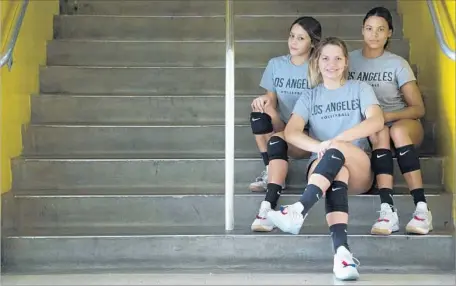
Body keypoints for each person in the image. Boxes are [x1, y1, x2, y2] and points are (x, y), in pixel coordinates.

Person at [267, 37, 385, 281]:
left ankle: (299, 209)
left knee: (337, 153)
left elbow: (376, 121)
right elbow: (291, 132)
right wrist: (319, 145)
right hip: (324, 167)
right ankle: (342, 254)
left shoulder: (359, 88)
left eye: (337, 58)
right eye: (325, 58)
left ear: (346, 62)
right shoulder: (309, 97)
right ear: (317, 62)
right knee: (336, 171)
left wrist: (339, 139)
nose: (332, 64)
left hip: (359, 166)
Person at [349, 7, 432, 235]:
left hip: (402, 122)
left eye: (380, 29)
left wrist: (387, 116)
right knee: (380, 132)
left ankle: (422, 209)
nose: (374, 34)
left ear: (389, 34)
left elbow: (418, 108)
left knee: (393, 131)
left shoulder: (397, 63)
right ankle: (387, 211)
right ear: (362, 31)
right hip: (373, 129)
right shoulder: (349, 61)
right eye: (369, 29)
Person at [249, 16, 322, 232]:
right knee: (258, 114)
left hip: (304, 132)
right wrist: (263, 101)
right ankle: (269, 169)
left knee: (278, 139)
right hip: (281, 124)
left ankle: (267, 205)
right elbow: (271, 97)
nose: (294, 42)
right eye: (292, 36)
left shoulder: (318, 67)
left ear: (313, 43)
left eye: (301, 38)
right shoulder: (276, 64)